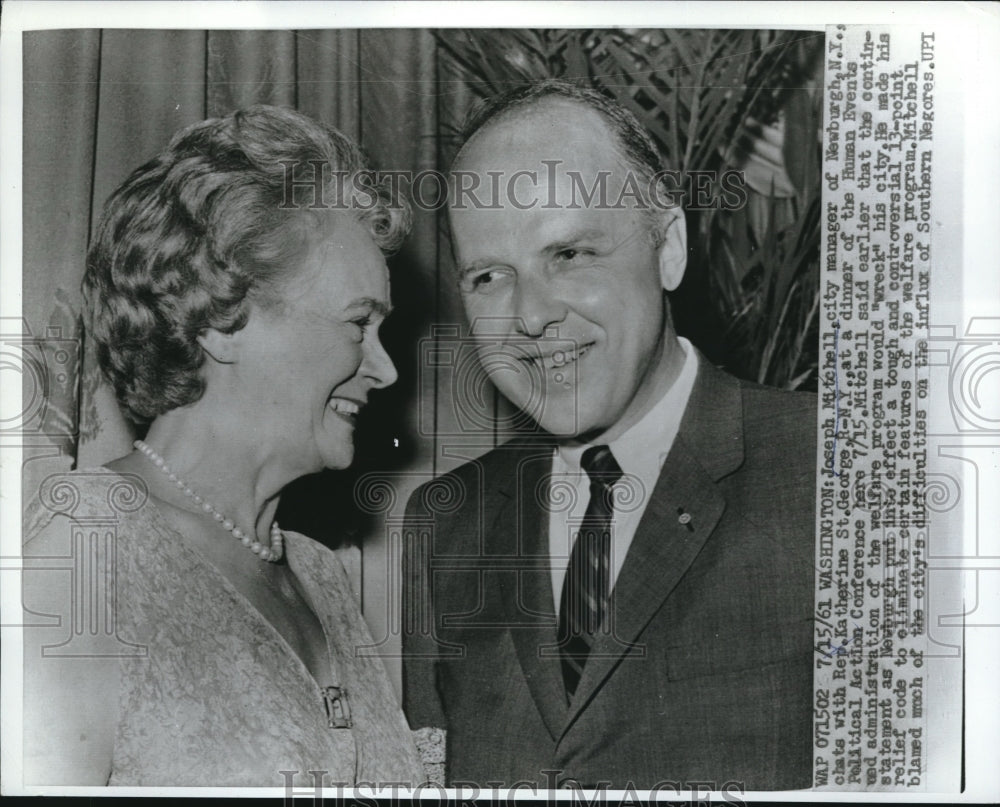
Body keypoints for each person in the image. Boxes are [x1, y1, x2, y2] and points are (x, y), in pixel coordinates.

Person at [402, 81, 817, 791]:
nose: (529, 316)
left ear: (669, 248)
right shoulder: (446, 520)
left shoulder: (834, 472)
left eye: (569, 254)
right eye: (489, 275)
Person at [21, 105, 430, 787]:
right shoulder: (85, 550)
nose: (385, 369)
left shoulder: (320, 572)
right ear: (222, 319)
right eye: (359, 323)